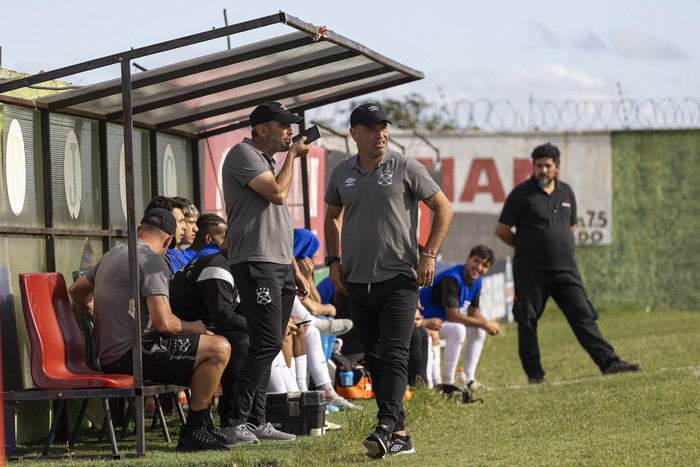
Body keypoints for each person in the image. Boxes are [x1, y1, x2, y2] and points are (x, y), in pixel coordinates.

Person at [324, 103, 454, 458]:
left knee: (396, 353)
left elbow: (444, 208)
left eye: (384, 127)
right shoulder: (341, 173)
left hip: (398, 278)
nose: (380, 133)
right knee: (376, 358)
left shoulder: (406, 166)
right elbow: (332, 216)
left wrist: (428, 254)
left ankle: (383, 426)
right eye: (371, 128)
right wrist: (333, 260)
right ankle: (399, 435)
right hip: (356, 281)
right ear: (354, 133)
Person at [69, 208, 232, 451]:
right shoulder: (151, 260)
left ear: (138, 231)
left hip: (111, 354)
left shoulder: (111, 254)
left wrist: (99, 317)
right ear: (168, 240)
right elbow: (164, 323)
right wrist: (193, 327)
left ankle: (204, 423)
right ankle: (195, 430)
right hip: (132, 355)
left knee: (205, 347)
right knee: (219, 347)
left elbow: (77, 291)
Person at [495, 142, 641, 384]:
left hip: (566, 270)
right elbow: (501, 230)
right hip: (530, 271)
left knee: (584, 317)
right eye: (539, 165)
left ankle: (609, 362)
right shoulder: (521, 194)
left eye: (547, 166)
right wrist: (527, 247)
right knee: (527, 321)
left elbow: (570, 226)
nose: (543, 170)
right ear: (534, 166)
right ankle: (535, 375)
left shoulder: (566, 192)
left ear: (557, 167)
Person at [221, 101, 313, 444]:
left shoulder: (268, 161)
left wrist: (294, 267)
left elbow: (276, 222)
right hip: (256, 261)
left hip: (278, 262)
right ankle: (234, 421)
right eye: (283, 125)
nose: (290, 131)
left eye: (291, 126)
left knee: (269, 345)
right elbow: (276, 194)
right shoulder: (242, 154)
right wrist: (293, 158)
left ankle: (258, 421)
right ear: (261, 130)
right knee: (266, 342)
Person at [169, 239, 296, 442]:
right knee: (243, 342)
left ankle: (257, 421)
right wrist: (264, 327)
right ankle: (231, 422)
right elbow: (224, 318)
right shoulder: (217, 267)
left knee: (264, 343)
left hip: (208, 327)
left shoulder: (244, 269)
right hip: (183, 330)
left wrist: (266, 326)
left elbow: (243, 313)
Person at [420, 245, 502, 390]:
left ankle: (469, 379)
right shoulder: (452, 278)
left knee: (479, 330)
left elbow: (474, 312)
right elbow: (453, 316)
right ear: (468, 259)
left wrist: (486, 324)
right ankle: (448, 383)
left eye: (485, 265)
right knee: (458, 329)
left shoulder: (477, 280)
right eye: (476, 261)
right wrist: (485, 324)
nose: (479, 267)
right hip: (424, 322)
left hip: (441, 323)